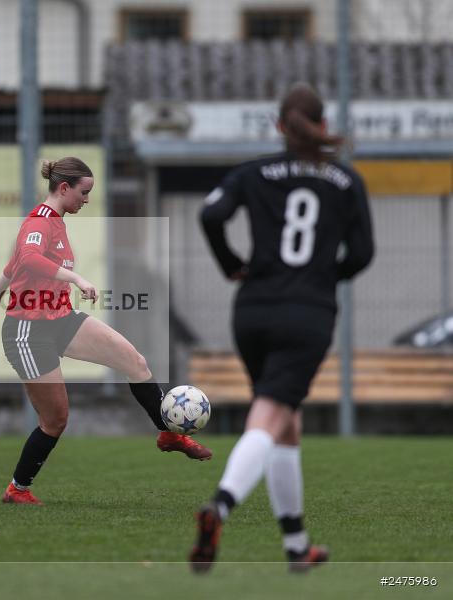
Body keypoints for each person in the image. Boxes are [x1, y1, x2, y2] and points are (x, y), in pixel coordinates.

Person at [190, 83, 374, 571]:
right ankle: (220, 506)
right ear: (321, 125)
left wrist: (232, 263)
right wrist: (324, 277)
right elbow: (363, 254)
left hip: (252, 310)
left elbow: (210, 215)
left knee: (286, 424)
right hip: (307, 313)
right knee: (271, 416)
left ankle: (297, 548)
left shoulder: (252, 173)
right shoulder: (345, 180)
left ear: (278, 126)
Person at [0, 157, 212, 506]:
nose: (86, 200)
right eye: (84, 192)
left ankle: (169, 434)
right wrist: (75, 277)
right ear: (64, 188)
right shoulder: (41, 221)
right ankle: (17, 489)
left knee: (134, 361)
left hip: (59, 319)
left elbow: (15, 263)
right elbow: (27, 259)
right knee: (56, 419)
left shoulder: (56, 222)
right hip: (27, 331)